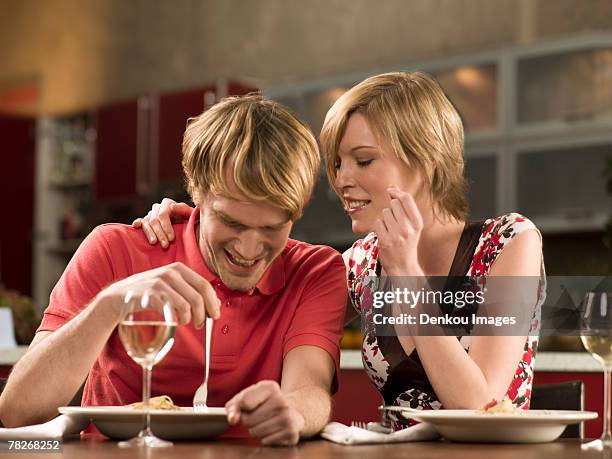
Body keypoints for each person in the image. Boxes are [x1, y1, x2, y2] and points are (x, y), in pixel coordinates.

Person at [132, 72, 545, 430]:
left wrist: (406, 272)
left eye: (363, 161)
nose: (341, 180)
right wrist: (203, 218)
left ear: (426, 159)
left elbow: (481, 407)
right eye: (337, 163)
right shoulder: (361, 264)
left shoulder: (509, 242)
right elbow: (267, 279)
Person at [0, 95, 348, 446]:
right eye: (230, 222)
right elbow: (19, 411)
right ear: (196, 190)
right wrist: (111, 304)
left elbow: (310, 388)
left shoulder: (316, 272)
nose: (248, 248)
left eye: (273, 227)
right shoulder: (114, 249)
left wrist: (295, 413)